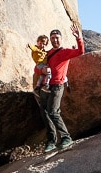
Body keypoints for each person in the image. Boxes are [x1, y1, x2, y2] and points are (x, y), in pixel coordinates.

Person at [35, 24, 84, 152]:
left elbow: (80, 52)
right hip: (46, 85)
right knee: (44, 111)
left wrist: (78, 38)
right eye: (52, 38)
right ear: (50, 40)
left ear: (61, 39)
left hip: (57, 85)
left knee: (53, 111)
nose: (55, 40)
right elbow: (37, 67)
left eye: (57, 37)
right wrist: (42, 71)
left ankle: (66, 137)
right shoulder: (48, 53)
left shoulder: (65, 52)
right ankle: (51, 141)